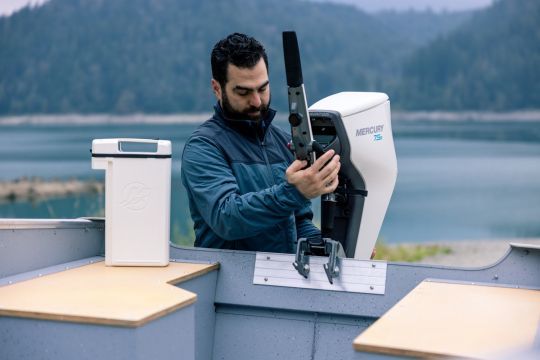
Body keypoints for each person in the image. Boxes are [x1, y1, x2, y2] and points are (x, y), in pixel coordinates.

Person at [181, 33, 340, 253]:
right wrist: (294, 192)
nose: (256, 101)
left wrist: (334, 247)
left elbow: (299, 224)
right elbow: (227, 218)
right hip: (224, 282)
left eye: (262, 89)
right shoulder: (203, 147)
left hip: (279, 281)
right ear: (217, 88)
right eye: (243, 92)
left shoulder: (285, 142)